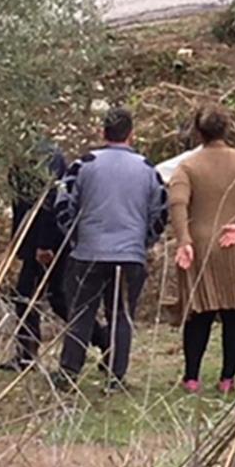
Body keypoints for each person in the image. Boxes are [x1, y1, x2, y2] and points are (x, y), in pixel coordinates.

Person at [54, 106, 167, 390]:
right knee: (121, 316)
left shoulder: (84, 164)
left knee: (81, 313)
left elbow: (62, 204)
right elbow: (161, 212)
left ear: (103, 132)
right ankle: (115, 377)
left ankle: (68, 373)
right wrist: (144, 243)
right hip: (129, 256)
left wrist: (76, 238)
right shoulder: (147, 169)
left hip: (88, 253)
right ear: (131, 134)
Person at [169, 107, 235, 394]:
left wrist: (184, 240)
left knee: (199, 314)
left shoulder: (188, 167)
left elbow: (177, 202)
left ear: (198, 132)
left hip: (203, 247)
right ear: (227, 130)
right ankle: (227, 378)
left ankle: (192, 377)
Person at [0, 138, 108, 372]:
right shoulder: (29, 157)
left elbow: (50, 203)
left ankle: (101, 339)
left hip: (48, 241)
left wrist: (44, 244)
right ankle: (27, 354)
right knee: (33, 296)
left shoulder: (43, 158)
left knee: (40, 297)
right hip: (36, 240)